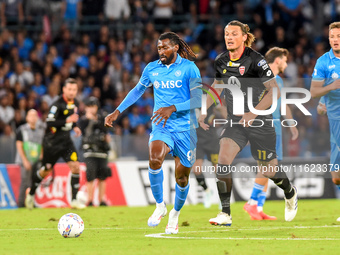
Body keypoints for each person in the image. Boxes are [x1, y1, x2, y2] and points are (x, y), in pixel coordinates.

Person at [199, 20, 298, 226]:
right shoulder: (221, 60)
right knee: (223, 160)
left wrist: (253, 113)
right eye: (226, 33)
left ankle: (290, 192)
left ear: (244, 37)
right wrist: (203, 109)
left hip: (260, 122)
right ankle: (225, 213)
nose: (229, 37)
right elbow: (217, 86)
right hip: (235, 122)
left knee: (270, 170)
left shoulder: (256, 60)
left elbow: (274, 91)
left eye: (234, 33)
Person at [105, 32, 202, 234]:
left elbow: (198, 100)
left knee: (181, 178)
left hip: (186, 129)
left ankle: (174, 214)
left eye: (165, 47)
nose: (161, 51)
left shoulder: (189, 68)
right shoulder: (152, 68)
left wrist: (172, 108)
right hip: (162, 126)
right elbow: (137, 91)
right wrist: (117, 111)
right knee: (154, 159)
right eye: (159, 48)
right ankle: (160, 206)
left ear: (176, 48)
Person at [243, 47, 299, 220]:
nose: (286, 64)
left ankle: (258, 208)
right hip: (264, 127)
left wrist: (291, 124)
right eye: (285, 60)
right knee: (269, 166)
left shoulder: (278, 81)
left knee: (266, 167)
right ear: (277, 60)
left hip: (274, 126)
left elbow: (283, 105)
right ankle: (252, 203)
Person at [25, 78, 84, 209]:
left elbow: (71, 119)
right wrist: (67, 120)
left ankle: (74, 200)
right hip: (52, 143)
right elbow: (50, 122)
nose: (72, 92)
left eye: (74, 89)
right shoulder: (57, 105)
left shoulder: (76, 103)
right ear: (64, 89)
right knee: (46, 170)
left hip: (66, 142)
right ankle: (31, 193)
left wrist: (74, 126)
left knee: (75, 166)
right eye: (69, 89)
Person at [78, 97, 111, 206]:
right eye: (90, 106)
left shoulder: (102, 118)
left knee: (102, 176)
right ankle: (90, 200)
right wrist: (89, 120)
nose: (92, 109)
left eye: (94, 106)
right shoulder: (83, 120)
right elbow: (82, 131)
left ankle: (101, 200)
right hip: (89, 151)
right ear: (86, 108)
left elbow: (107, 130)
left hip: (102, 151)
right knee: (90, 175)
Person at [15, 109, 45, 207]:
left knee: (34, 181)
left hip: (36, 160)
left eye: (35, 115)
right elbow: (19, 145)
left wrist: (41, 157)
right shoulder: (22, 129)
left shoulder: (41, 131)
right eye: (30, 115)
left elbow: (41, 145)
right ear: (27, 117)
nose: (33, 118)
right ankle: (20, 203)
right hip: (25, 160)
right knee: (25, 181)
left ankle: (31, 202)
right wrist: (24, 160)